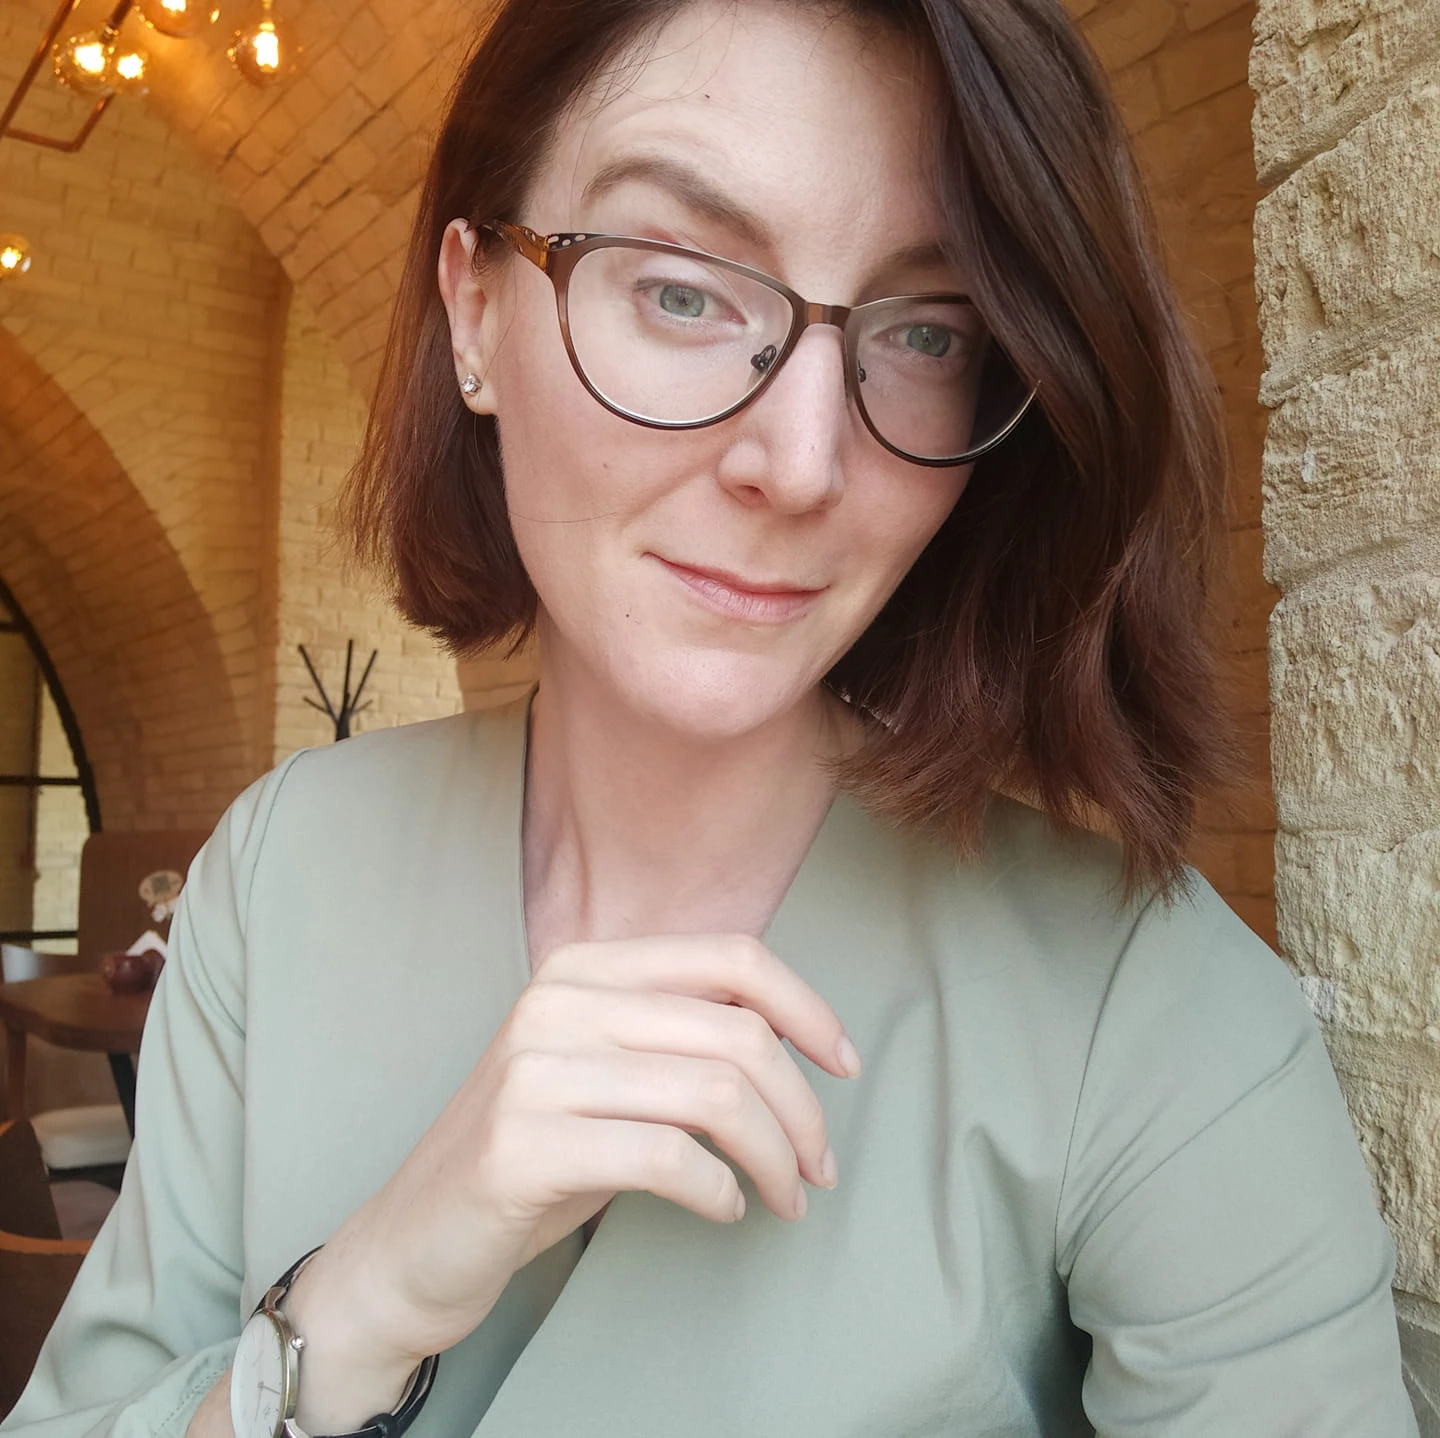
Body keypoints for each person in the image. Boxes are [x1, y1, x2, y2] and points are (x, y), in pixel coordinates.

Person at [3, 0, 1418, 1433]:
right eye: (683, 292)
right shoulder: (283, 868)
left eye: (926, 333)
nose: (801, 463)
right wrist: (361, 1299)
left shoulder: (1156, 1016)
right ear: (476, 310)